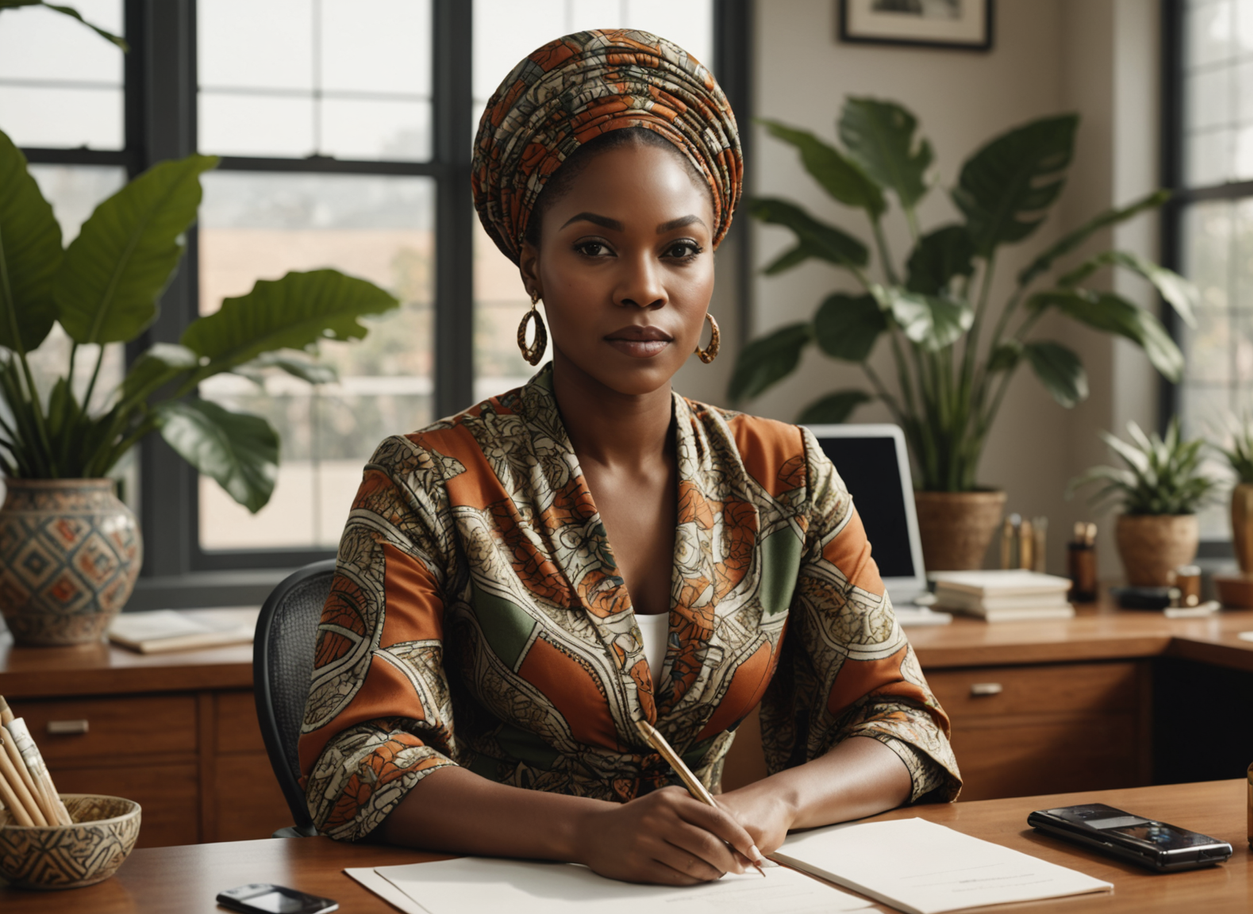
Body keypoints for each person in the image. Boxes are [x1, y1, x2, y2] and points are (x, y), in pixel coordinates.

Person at [296, 29, 960, 887]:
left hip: (716, 892)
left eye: (679, 250)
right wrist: (586, 833)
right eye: (595, 247)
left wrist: (778, 803)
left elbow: (907, 726)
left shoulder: (784, 472)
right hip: (496, 894)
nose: (644, 285)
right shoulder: (429, 479)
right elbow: (354, 762)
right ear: (532, 263)